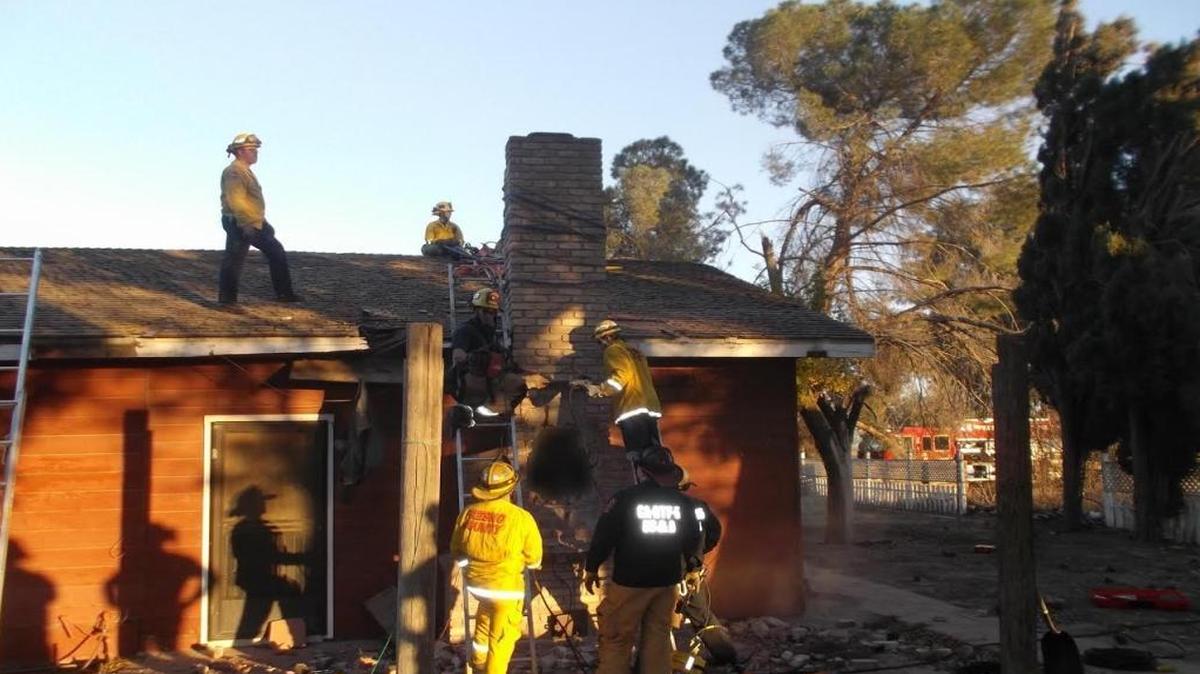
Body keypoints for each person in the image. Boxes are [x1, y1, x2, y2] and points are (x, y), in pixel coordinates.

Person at [583, 447, 702, 674]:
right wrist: (693, 569)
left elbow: (604, 536)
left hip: (630, 583)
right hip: (666, 583)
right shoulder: (684, 503)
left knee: (617, 637)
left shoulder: (625, 499)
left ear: (643, 472)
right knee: (658, 639)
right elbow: (694, 539)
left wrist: (591, 567)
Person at [450, 461, 543, 674]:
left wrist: (469, 566)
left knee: (485, 616)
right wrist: (531, 564)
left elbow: (457, 550)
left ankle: (478, 661)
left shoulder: (468, 512)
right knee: (501, 640)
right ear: (511, 489)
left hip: (477, 587)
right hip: (505, 590)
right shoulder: (521, 518)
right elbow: (534, 557)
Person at [218, 133, 299, 305]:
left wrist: (262, 223)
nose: (255, 153)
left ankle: (227, 300)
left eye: (256, 150)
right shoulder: (235, 172)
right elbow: (236, 200)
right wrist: (246, 224)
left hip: (247, 221)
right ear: (239, 152)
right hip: (241, 221)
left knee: (235, 259)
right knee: (273, 252)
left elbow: (250, 203)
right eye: (251, 150)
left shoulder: (244, 171)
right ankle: (284, 294)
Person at [572, 319, 663, 462]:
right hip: (649, 406)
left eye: (600, 341)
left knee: (637, 456)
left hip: (632, 406)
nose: (600, 345)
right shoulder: (634, 351)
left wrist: (600, 390)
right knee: (654, 454)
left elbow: (621, 376)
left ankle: (646, 481)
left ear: (607, 337)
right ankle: (662, 480)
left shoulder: (613, 350)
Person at [450, 288, 526, 426]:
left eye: (494, 312)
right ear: (477, 311)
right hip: (470, 384)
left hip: (490, 386)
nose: (492, 316)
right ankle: (471, 411)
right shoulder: (465, 331)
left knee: (519, 384)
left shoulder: (489, 336)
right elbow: (458, 356)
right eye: (487, 312)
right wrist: (476, 358)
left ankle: (498, 411)